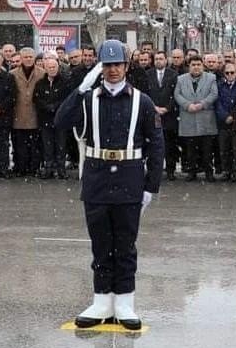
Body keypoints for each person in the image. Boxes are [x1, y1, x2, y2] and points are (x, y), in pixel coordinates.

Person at [55, 39, 164, 330]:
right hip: (98, 179)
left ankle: (125, 301)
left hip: (129, 179)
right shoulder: (89, 98)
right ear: (100, 67)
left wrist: (150, 187)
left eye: (118, 64)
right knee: (101, 244)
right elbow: (60, 120)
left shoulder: (143, 101)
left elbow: (156, 147)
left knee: (125, 245)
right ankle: (102, 300)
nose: (113, 70)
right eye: (107, 65)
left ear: (127, 66)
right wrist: (80, 89)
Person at [174, 55, 218, 182]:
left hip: (206, 117)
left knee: (207, 149)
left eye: (199, 64)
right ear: (189, 66)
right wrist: (188, 105)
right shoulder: (181, 79)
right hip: (188, 116)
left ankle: (209, 172)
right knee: (190, 149)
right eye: (193, 65)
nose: (196, 67)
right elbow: (177, 94)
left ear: (202, 65)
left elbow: (214, 94)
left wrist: (202, 104)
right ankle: (191, 172)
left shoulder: (211, 78)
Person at [32, 55, 71, 179]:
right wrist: (47, 107)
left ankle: (61, 169)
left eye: (54, 67)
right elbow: (37, 99)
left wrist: (55, 106)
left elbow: (67, 99)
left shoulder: (65, 82)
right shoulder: (40, 83)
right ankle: (48, 168)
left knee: (61, 145)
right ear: (45, 68)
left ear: (58, 67)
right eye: (49, 67)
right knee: (47, 145)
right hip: (45, 119)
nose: (52, 69)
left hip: (61, 119)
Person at [11, 47, 45, 177]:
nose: (28, 59)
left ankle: (34, 168)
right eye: (25, 57)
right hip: (18, 114)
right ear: (21, 58)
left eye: (31, 57)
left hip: (35, 113)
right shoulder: (13, 74)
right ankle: (20, 167)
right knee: (19, 144)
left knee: (35, 145)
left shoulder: (42, 73)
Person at [145, 51, 179, 181]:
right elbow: (145, 92)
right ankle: (154, 171)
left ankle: (170, 170)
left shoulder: (173, 75)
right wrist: (153, 107)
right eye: (157, 59)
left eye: (161, 59)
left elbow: (176, 93)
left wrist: (167, 108)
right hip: (153, 114)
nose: (159, 61)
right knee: (154, 145)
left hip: (169, 115)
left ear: (166, 60)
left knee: (170, 144)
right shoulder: (148, 74)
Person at [216, 61, 236, 181]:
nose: (230, 75)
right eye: (227, 73)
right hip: (223, 123)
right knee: (224, 149)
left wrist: (233, 116)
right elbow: (217, 103)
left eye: (232, 72)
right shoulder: (219, 86)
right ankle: (226, 170)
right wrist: (224, 116)